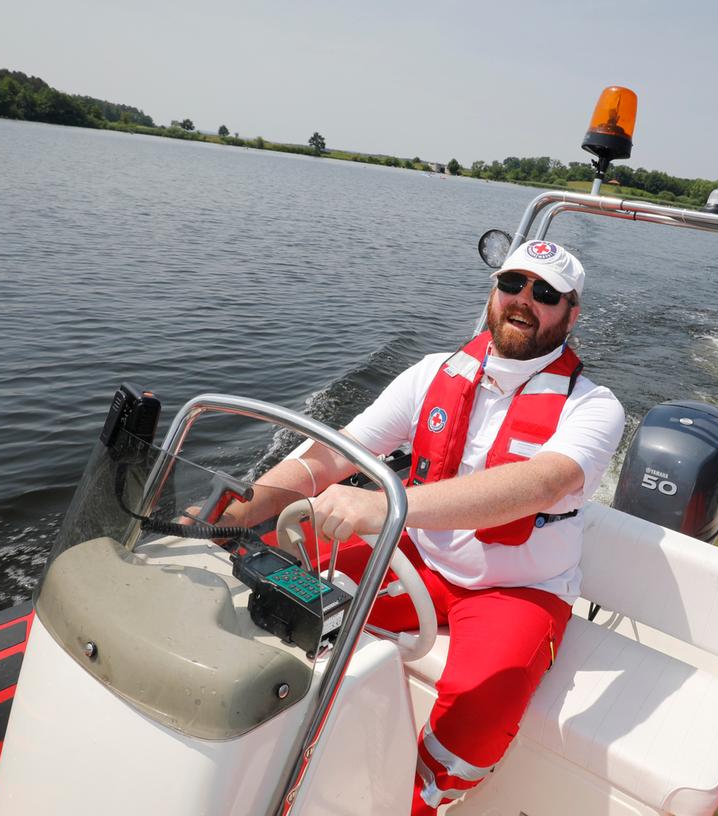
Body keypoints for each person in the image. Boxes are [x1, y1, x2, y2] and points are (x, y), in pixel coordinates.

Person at [233, 239, 624, 814]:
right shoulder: (429, 375)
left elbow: (539, 485)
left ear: (571, 313)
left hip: (517, 589)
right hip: (415, 559)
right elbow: (333, 456)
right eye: (513, 284)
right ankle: (262, 735)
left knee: (479, 708)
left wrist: (386, 508)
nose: (523, 300)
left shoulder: (594, 407)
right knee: (268, 571)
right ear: (495, 294)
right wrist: (238, 511)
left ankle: (418, 801)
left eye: (545, 293)